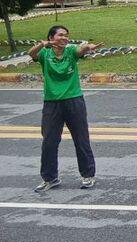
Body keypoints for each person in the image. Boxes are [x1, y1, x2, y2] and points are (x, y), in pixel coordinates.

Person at [28, 25, 103, 192]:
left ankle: (88, 175)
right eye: (61, 35)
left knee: (81, 139)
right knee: (49, 142)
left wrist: (88, 47)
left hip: (74, 101)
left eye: (66, 35)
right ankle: (50, 178)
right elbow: (31, 53)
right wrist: (42, 45)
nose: (65, 38)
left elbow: (80, 50)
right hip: (52, 103)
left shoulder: (70, 51)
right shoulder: (45, 53)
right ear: (51, 37)